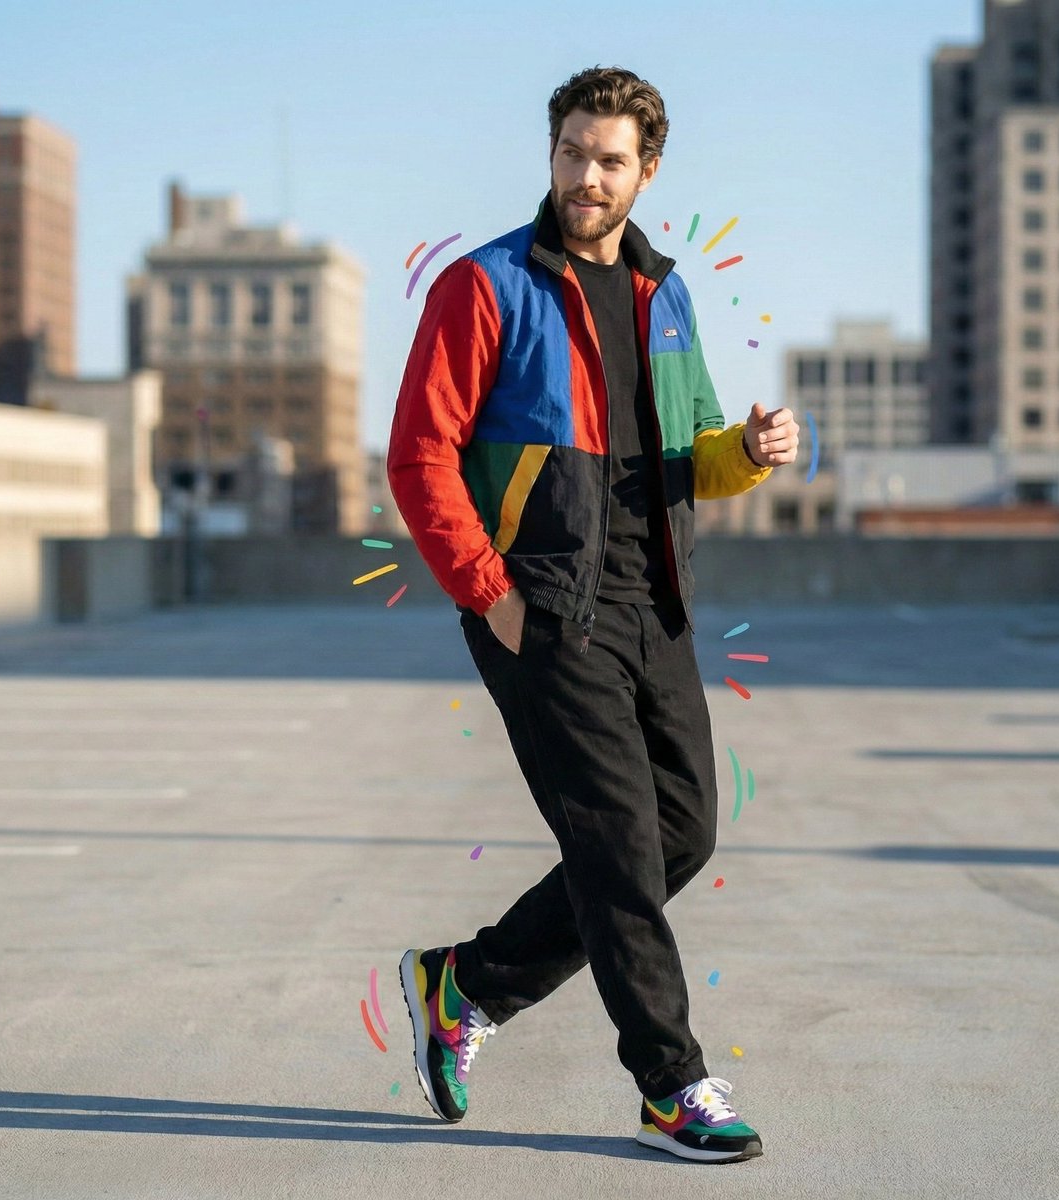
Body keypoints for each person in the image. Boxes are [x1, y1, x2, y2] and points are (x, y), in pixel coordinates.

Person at [387, 65, 798, 1165]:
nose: (586, 176)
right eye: (572, 152)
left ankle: (468, 984)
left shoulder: (667, 296)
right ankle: (671, 1084)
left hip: (655, 601)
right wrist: (491, 596)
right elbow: (419, 455)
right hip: (544, 607)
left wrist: (751, 452)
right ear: (553, 153)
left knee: (680, 834)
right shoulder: (486, 286)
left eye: (609, 160)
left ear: (646, 172)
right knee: (616, 846)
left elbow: (696, 455)